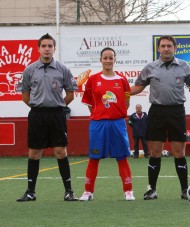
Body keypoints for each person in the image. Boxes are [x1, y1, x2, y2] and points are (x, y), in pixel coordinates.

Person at [16, 33, 78, 202]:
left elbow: (71, 94)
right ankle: (30, 192)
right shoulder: (30, 70)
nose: (47, 49)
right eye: (44, 46)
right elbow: (25, 96)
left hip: (57, 115)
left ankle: (69, 191)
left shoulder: (63, 69)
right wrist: (38, 106)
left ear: (54, 49)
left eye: (50, 46)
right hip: (37, 115)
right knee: (34, 152)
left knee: (60, 151)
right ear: (38, 48)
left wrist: (57, 105)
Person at [130, 35, 190, 200]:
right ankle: (152, 190)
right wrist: (119, 92)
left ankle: (185, 190)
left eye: (169, 46)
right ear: (158, 49)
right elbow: (138, 87)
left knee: (179, 152)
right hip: (157, 112)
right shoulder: (150, 68)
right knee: (155, 151)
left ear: (175, 48)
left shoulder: (184, 67)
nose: (166, 49)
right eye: (163, 46)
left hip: (177, 112)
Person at [79, 47, 135, 201]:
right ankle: (88, 191)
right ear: (101, 59)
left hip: (117, 123)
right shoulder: (93, 79)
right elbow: (90, 103)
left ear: (115, 59)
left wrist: (115, 113)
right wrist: (99, 113)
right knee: (94, 157)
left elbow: (126, 102)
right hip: (98, 124)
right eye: (105, 58)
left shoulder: (122, 80)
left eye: (111, 58)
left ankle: (128, 191)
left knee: (122, 157)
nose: (108, 61)